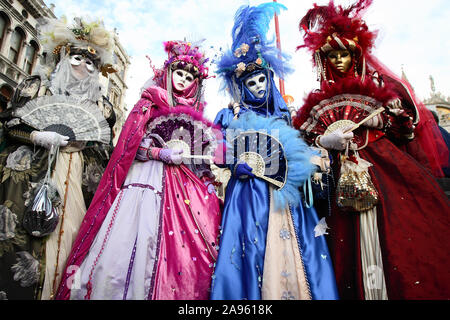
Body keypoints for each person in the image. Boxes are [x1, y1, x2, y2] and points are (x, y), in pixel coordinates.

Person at [293, 0, 450, 299]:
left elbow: (407, 130)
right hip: (341, 179)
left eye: (345, 54)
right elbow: (306, 137)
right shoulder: (318, 100)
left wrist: (390, 113)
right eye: (333, 56)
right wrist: (325, 141)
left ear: (356, 55)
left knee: (401, 234)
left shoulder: (378, 84)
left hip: (385, 168)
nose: (339, 61)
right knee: (350, 241)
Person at [55, 40, 222, 300]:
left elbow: (200, 158)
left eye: (189, 77)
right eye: (178, 73)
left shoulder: (196, 114)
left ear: (196, 83)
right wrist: (159, 152)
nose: (182, 80)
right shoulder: (149, 103)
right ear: (167, 73)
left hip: (183, 192)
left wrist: (207, 178)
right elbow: (129, 148)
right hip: (144, 181)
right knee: (129, 241)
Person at [210, 2, 339, 300]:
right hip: (248, 196)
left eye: (261, 80)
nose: (256, 86)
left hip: (287, 197)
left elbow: (301, 154)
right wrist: (234, 163)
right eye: (250, 82)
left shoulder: (286, 117)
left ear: (269, 81)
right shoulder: (231, 116)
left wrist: (315, 158)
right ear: (241, 87)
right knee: (250, 249)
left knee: (300, 251)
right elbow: (217, 151)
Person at [0, 17, 116, 300]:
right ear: (64, 56)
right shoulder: (38, 86)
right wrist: (39, 136)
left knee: (73, 237)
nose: (83, 66)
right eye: (77, 57)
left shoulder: (100, 105)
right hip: (36, 170)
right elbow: (12, 122)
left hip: (76, 176)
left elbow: (106, 145)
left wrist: (85, 141)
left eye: (91, 63)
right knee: (26, 237)